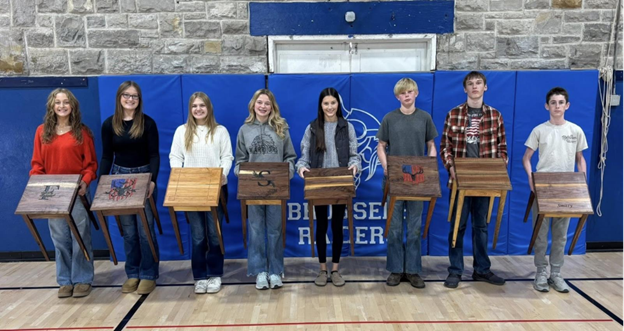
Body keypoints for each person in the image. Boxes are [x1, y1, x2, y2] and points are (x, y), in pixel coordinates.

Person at [440, 71, 508, 289]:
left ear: (485, 87)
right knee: (457, 225)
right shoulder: (453, 114)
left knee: (481, 226)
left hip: (485, 180)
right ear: (465, 89)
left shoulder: (495, 115)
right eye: (470, 84)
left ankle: (482, 269)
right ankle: (455, 270)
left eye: (479, 83)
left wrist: (497, 169)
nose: (475, 87)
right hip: (460, 179)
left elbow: (503, 150)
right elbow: (445, 147)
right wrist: (451, 167)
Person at [30, 88, 98, 298]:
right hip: (53, 194)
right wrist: (39, 185)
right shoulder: (42, 132)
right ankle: (65, 280)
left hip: (76, 192)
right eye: (57, 102)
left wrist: (85, 182)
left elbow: (91, 165)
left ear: (73, 106)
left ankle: (83, 279)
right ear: (52, 106)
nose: (62, 106)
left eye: (66, 102)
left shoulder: (82, 133)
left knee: (80, 237)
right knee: (60, 238)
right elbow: (37, 164)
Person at [522, 87, 588, 293]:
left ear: (567, 106)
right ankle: (541, 272)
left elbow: (580, 159)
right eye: (553, 102)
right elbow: (526, 158)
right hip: (543, 186)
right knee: (540, 234)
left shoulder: (575, 130)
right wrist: (531, 179)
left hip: (566, 186)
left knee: (560, 235)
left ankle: (556, 274)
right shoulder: (539, 130)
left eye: (561, 102)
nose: (557, 106)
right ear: (547, 106)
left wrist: (581, 182)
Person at [296, 87, 361, 287]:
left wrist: (355, 165)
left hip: (340, 181)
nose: (330, 107)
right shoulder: (313, 128)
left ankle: (336, 269)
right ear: (321, 106)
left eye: (333, 103)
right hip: (320, 182)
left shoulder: (346, 126)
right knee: (322, 225)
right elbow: (304, 156)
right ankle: (322, 269)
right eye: (326, 103)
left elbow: (354, 154)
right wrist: (301, 168)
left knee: (337, 226)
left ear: (338, 105)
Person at [376, 78, 438, 288]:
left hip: (417, 179)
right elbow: (381, 146)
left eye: (410, 92)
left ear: (416, 94)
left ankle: (412, 270)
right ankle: (395, 269)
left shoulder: (425, 118)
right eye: (403, 93)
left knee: (414, 226)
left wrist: (429, 164)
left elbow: (431, 145)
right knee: (393, 227)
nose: (407, 95)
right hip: (395, 179)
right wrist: (386, 166)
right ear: (397, 97)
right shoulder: (389, 119)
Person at [100, 81, 160, 295]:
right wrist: (102, 181)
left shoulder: (147, 123)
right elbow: (107, 156)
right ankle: (132, 273)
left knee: (146, 231)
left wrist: (152, 180)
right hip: (119, 179)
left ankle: (149, 274)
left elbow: (154, 155)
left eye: (134, 96)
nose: (130, 99)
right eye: (126, 95)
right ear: (119, 97)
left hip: (144, 177)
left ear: (139, 100)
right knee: (129, 232)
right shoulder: (109, 125)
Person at [170, 92, 233, 294]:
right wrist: (178, 175)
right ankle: (199, 276)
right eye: (195, 106)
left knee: (214, 234)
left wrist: (223, 174)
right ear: (190, 109)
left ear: (209, 108)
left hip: (215, 188)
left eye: (202, 105)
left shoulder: (220, 131)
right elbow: (175, 156)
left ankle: (215, 274)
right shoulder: (182, 131)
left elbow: (227, 157)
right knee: (198, 236)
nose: (198, 109)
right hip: (191, 189)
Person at [234, 89, 296, 290]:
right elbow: (239, 161)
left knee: (275, 230)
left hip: (276, 189)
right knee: (255, 230)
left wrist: (288, 174)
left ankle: (276, 271)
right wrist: (242, 174)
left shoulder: (281, 128)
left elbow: (290, 158)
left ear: (272, 107)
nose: (263, 106)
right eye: (259, 102)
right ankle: (260, 271)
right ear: (253, 104)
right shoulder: (244, 130)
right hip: (253, 190)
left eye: (267, 103)